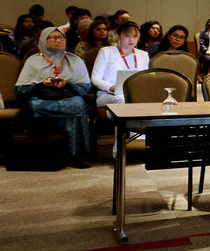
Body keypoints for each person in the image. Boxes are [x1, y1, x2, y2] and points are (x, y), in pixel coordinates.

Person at [14, 27, 92, 168]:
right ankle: (42, 154)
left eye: (61, 37)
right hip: (41, 97)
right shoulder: (33, 61)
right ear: (44, 41)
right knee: (34, 106)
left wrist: (66, 83)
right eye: (53, 38)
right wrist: (42, 83)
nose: (58, 40)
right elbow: (21, 89)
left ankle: (76, 155)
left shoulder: (75, 60)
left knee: (79, 104)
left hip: (67, 95)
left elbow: (85, 87)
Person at [92, 21, 150, 108]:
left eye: (135, 36)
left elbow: (145, 78)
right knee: (122, 99)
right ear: (118, 36)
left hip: (134, 93)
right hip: (108, 94)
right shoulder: (106, 51)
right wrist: (112, 87)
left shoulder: (143, 55)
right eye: (127, 36)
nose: (131, 40)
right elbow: (95, 79)